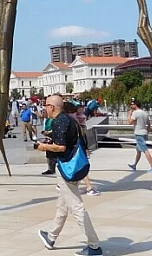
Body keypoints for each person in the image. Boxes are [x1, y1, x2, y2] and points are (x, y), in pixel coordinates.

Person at [37, 95, 103, 255]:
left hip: (66, 167)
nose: (44, 108)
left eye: (46, 105)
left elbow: (61, 147)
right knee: (63, 205)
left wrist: (43, 146)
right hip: (75, 165)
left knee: (76, 206)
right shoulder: (70, 120)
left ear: (52, 107)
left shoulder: (59, 121)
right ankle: (51, 237)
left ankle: (94, 246)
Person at [126, 99, 152, 173]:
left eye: (132, 104)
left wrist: (129, 115)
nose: (131, 106)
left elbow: (130, 122)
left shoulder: (135, 113)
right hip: (144, 132)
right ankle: (134, 165)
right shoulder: (145, 113)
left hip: (138, 133)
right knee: (138, 150)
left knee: (145, 150)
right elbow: (149, 124)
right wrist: (147, 132)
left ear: (135, 105)